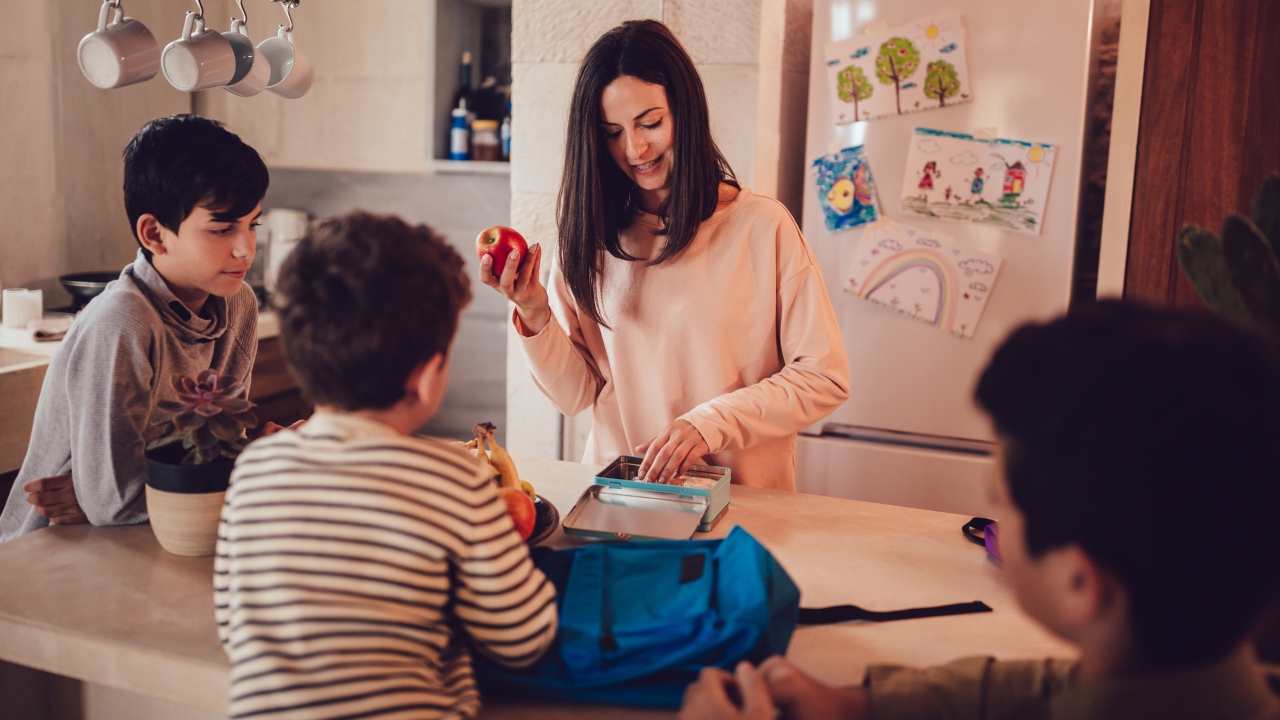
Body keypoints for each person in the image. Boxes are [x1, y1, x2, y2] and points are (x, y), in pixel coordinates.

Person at [679, 301, 1280, 720]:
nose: (989, 522)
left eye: (999, 505)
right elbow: (1050, 688)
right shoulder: (1181, 674)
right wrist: (859, 704)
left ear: (1078, 581)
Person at [216, 211, 557, 720]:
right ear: (427, 378)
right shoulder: (454, 477)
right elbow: (524, 637)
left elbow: (233, 624)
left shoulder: (256, 469)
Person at [483, 20, 850, 490]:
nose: (634, 148)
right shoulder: (588, 237)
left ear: (685, 111)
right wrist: (533, 311)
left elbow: (824, 376)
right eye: (612, 132)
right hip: (620, 505)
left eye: (650, 123)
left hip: (744, 513)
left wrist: (709, 423)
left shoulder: (762, 227)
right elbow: (576, 396)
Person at [0, 115, 267, 541]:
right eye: (221, 229)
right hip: (49, 547)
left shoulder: (239, 304)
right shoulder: (123, 321)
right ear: (155, 235)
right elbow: (115, 502)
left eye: (253, 224)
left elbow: (217, 451)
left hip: (150, 535)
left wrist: (250, 460)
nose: (245, 248)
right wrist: (249, 471)